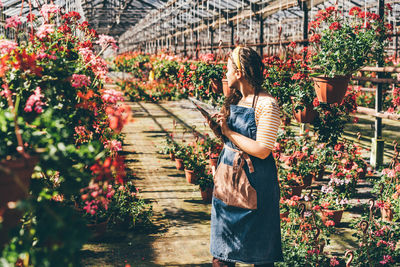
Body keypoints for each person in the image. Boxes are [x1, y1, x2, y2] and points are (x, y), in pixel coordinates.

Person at [206, 46, 283, 267]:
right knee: (221, 253)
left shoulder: (267, 104)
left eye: (228, 68)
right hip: (227, 180)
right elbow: (233, 143)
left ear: (239, 73)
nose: (225, 74)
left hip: (255, 182)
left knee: (260, 252)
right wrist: (220, 130)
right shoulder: (236, 100)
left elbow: (262, 149)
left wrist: (230, 132)